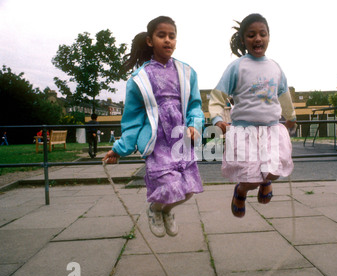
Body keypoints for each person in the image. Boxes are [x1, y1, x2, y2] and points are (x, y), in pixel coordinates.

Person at [102, 16, 204, 237]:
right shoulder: (139, 79)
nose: (167, 40)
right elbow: (132, 121)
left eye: (172, 36)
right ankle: (155, 208)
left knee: (187, 191)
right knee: (169, 187)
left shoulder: (187, 72)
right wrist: (119, 149)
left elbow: (195, 106)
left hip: (181, 139)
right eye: (161, 35)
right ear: (150, 41)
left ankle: (166, 211)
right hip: (157, 142)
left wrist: (195, 125)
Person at [208, 13, 296, 218]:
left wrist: (290, 115)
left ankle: (267, 181)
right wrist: (217, 118)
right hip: (244, 130)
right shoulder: (237, 67)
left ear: (269, 37)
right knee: (251, 179)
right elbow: (217, 96)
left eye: (262, 34)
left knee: (274, 171)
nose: (258, 39)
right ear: (243, 40)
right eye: (251, 35)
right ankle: (241, 191)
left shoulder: (275, 68)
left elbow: (284, 95)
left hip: (272, 129)